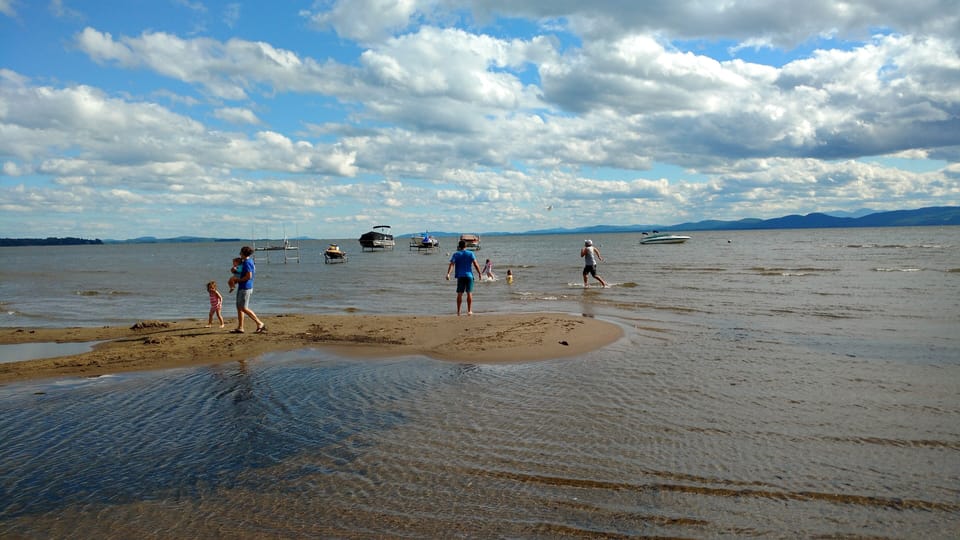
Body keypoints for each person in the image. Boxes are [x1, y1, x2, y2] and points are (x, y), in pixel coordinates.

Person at [232, 246, 266, 333]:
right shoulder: (246, 261)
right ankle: (240, 327)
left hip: (246, 287)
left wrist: (237, 280)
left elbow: (249, 276)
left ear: (243, 253)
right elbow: (241, 272)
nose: (239, 254)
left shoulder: (247, 262)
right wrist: (234, 271)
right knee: (239, 307)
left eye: (240, 252)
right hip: (243, 287)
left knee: (243, 308)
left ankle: (260, 323)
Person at [446, 239, 482, 315]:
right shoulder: (470, 253)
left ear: (459, 246)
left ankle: (458, 312)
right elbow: (475, 264)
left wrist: (448, 273)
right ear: (466, 246)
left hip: (460, 276)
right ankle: (469, 311)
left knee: (459, 294)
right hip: (469, 276)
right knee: (469, 293)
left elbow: (452, 264)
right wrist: (479, 273)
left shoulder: (456, 254)